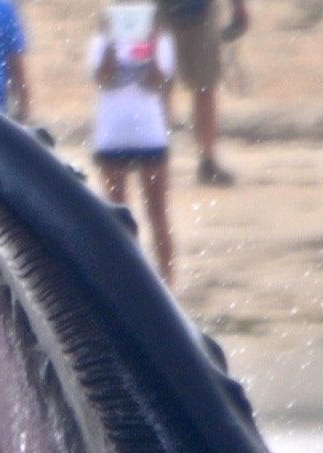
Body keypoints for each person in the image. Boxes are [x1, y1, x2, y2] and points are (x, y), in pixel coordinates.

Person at [90, 6, 177, 283]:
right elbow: (103, 78)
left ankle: (168, 281)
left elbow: (156, 81)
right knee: (116, 218)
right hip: (112, 135)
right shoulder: (101, 41)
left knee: (158, 213)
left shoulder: (161, 40)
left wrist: (150, 44)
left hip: (149, 134)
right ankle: (121, 280)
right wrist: (111, 42)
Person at [157, 0, 247, 185]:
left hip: (200, 8)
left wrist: (239, 6)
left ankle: (207, 161)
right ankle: (157, 159)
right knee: (160, 84)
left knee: (205, 85)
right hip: (159, 7)